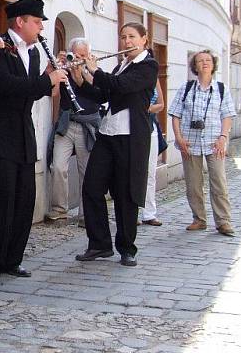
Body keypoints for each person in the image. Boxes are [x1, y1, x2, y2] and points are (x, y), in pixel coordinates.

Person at [0, 0, 68, 279]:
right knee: (0, 200)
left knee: (25, 199)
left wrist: (50, 78)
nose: (40, 28)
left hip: (24, 136)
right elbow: (4, 85)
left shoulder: (35, 53)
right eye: (37, 22)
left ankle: (12, 259)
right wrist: (45, 82)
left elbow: (31, 92)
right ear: (20, 22)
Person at [73, 23, 158, 267]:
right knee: (91, 187)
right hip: (108, 134)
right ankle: (99, 244)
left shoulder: (148, 66)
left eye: (132, 37)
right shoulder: (122, 66)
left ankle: (127, 248)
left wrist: (95, 70)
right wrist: (81, 79)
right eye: (123, 37)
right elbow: (104, 95)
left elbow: (122, 86)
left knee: (126, 194)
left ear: (144, 39)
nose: (127, 42)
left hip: (131, 137)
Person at [168, 49, 237, 237]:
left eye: (208, 60)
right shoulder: (186, 88)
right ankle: (199, 219)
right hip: (189, 142)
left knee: (219, 182)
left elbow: (227, 115)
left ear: (213, 65)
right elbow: (175, 115)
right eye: (200, 61)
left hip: (214, 142)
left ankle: (223, 222)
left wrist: (223, 137)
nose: (205, 63)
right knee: (193, 184)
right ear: (195, 66)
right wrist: (179, 138)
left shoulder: (222, 89)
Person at [46, 38, 102, 227]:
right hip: (67, 124)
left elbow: (99, 92)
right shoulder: (64, 70)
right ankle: (59, 210)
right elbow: (53, 93)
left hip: (88, 127)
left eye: (82, 55)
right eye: (75, 55)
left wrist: (84, 70)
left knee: (86, 171)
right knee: (58, 166)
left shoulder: (95, 71)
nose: (78, 59)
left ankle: (86, 214)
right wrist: (53, 69)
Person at [141, 81, 166, 226]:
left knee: (150, 173)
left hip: (150, 128)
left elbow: (161, 104)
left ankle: (149, 213)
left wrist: (149, 108)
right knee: (131, 172)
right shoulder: (127, 72)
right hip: (131, 129)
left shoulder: (154, 78)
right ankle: (131, 213)